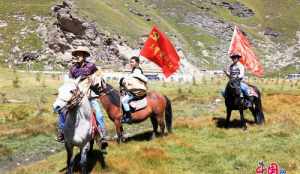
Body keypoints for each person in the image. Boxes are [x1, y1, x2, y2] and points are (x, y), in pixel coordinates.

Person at [56, 46, 107, 142]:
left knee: (99, 114)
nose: (77, 56)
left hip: (89, 95)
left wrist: (95, 77)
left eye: (80, 54)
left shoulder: (91, 66)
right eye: (76, 54)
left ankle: (102, 135)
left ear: (84, 56)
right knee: (62, 110)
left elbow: (99, 74)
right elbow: (69, 82)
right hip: (76, 96)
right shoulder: (73, 69)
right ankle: (62, 132)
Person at [120, 56, 148, 124]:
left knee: (124, 100)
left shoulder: (137, 71)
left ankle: (129, 118)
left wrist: (126, 78)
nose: (131, 63)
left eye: (132, 62)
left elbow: (145, 79)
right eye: (130, 62)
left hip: (137, 92)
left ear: (137, 63)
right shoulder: (135, 70)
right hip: (135, 91)